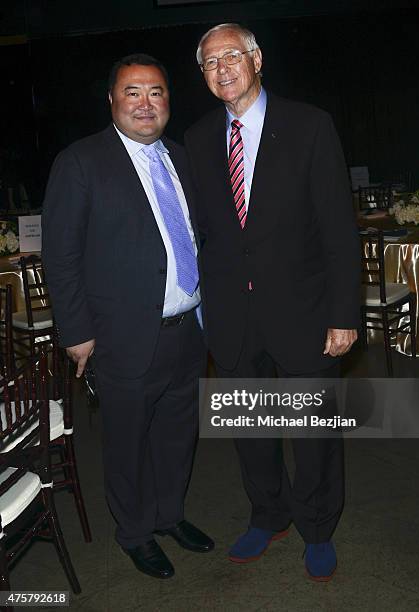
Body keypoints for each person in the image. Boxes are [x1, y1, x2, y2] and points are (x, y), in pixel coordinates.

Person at [184, 24, 360, 581]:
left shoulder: (309, 126)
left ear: (256, 59)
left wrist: (344, 314)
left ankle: (317, 527)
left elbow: (337, 228)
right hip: (234, 319)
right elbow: (205, 234)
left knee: (314, 433)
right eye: (210, 63)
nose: (222, 69)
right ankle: (269, 515)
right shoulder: (197, 139)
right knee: (251, 430)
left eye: (231, 56)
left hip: (306, 313)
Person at [42, 53, 214, 580]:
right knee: (127, 443)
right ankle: (135, 533)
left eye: (156, 92)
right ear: (112, 101)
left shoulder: (183, 158)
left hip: (186, 332)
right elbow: (61, 256)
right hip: (121, 339)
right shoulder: (80, 162)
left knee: (176, 436)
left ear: (169, 101)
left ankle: (169, 516)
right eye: (132, 92)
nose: (145, 104)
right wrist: (75, 333)